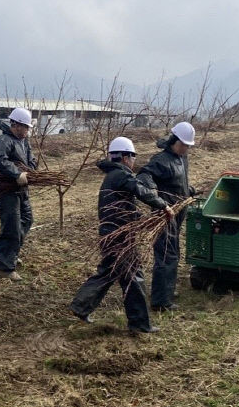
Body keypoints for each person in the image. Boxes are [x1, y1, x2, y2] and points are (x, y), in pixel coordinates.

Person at [70, 137, 173, 332]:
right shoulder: (121, 175)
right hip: (119, 237)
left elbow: (122, 207)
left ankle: (81, 306)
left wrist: (140, 220)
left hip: (113, 234)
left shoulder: (113, 176)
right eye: (133, 157)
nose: (134, 162)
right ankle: (140, 324)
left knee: (109, 272)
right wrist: (163, 205)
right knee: (134, 276)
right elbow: (141, 191)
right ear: (125, 157)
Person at [137, 121, 197, 312]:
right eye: (183, 145)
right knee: (166, 256)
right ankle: (161, 302)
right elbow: (143, 177)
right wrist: (156, 197)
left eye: (188, 146)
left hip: (178, 213)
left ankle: (166, 291)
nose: (186, 149)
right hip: (165, 215)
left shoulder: (181, 158)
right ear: (174, 141)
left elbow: (177, 181)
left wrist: (189, 191)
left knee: (173, 254)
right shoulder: (161, 161)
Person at [0, 107, 37, 281]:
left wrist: (30, 171)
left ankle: (11, 253)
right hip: (7, 192)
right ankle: (6, 268)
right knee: (11, 227)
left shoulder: (24, 141)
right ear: (15, 125)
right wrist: (16, 174)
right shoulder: (3, 141)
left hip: (21, 190)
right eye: (25, 127)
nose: (27, 131)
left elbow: (31, 159)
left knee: (27, 220)